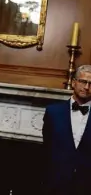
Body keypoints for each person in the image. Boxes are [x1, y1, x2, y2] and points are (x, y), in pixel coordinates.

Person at [42, 65, 91, 195]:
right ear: (74, 82)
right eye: (83, 81)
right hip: (56, 185)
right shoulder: (53, 112)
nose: (86, 87)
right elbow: (47, 150)